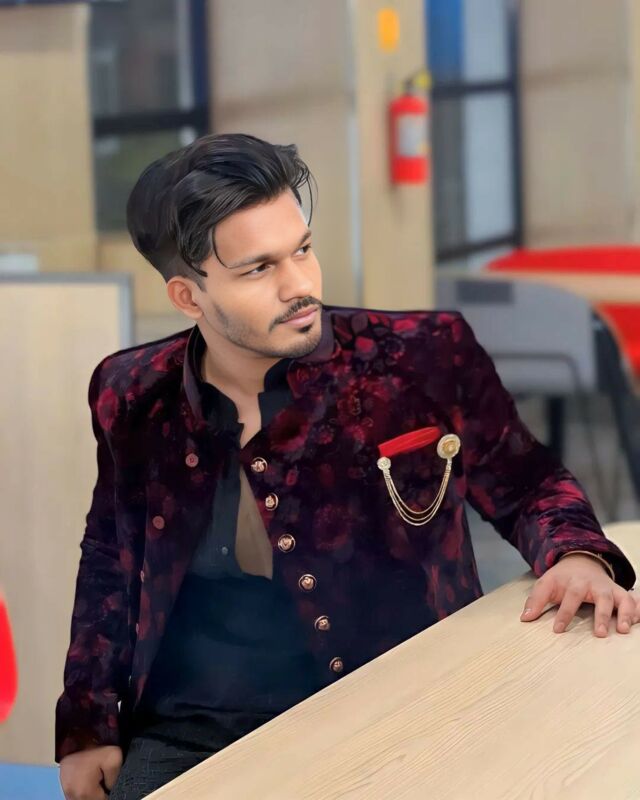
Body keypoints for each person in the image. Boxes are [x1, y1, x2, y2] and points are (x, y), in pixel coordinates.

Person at [57, 133, 638, 800]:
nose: (300, 285)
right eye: (258, 269)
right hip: (192, 729)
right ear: (188, 297)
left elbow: (529, 483)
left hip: (396, 705)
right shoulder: (131, 391)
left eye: (302, 249)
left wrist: (576, 555)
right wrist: (87, 724)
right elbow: (109, 557)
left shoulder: (420, 357)